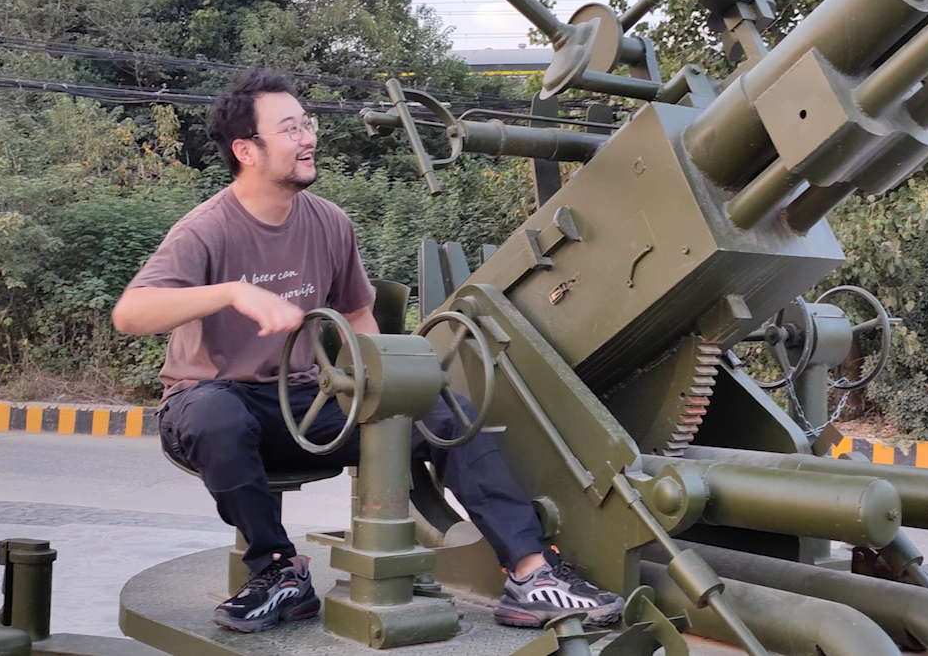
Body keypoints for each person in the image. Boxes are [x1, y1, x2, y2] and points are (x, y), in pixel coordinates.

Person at [111, 70, 622, 634]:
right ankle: (277, 572)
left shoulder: (329, 223)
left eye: (306, 124)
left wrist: (386, 388)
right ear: (246, 151)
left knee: (445, 412)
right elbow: (131, 313)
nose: (308, 137)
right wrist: (233, 293)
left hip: (300, 403)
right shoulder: (205, 230)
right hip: (208, 401)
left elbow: (357, 318)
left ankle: (530, 572)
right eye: (289, 129)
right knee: (218, 417)